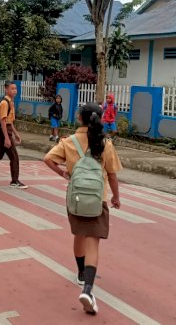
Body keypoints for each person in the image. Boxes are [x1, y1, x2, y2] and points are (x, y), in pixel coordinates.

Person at [43, 103, 121, 316]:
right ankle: (88, 288)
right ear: (101, 118)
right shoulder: (105, 143)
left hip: (75, 199)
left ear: (79, 118)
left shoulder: (68, 142)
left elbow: (48, 159)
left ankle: (80, 272)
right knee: (92, 244)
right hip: (97, 200)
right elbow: (112, 175)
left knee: (79, 235)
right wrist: (116, 197)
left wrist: (63, 174)